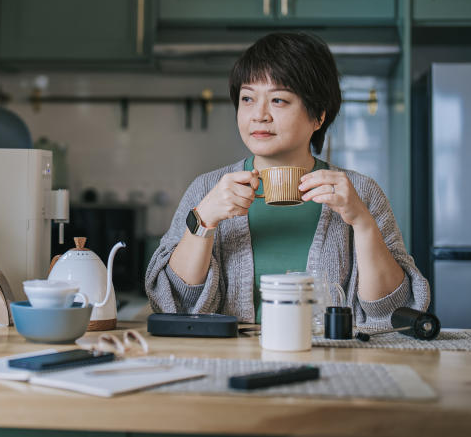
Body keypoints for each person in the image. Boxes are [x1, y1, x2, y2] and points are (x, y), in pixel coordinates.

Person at [145, 32, 429, 325]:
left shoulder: (361, 192)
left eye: (278, 100)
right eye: (247, 98)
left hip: (331, 362)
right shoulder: (207, 189)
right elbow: (173, 302)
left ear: (318, 115)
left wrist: (362, 222)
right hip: (231, 361)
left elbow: (392, 310)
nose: (259, 115)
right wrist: (203, 221)